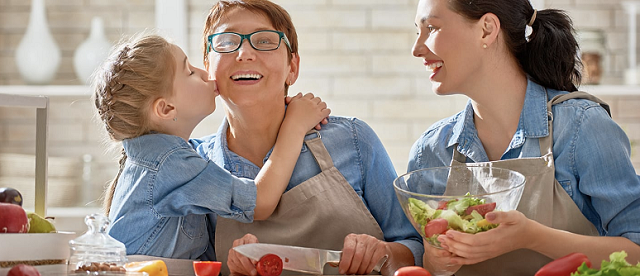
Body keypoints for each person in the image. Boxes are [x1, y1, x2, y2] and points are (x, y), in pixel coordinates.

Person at [190, 0, 424, 275]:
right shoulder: (195, 165)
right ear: (208, 65)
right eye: (227, 42)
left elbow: (416, 248)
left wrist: (383, 253)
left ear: (293, 67)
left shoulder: (354, 141)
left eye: (264, 41)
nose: (244, 53)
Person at [409, 0, 640, 275]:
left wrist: (530, 236)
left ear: (486, 30)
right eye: (417, 32)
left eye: (432, 28)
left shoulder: (581, 127)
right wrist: (435, 262)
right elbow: (420, 260)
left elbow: (636, 252)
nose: (416, 49)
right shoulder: (431, 150)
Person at [92, 33, 331, 259]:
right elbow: (260, 202)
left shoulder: (153, 158)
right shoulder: (172, 163)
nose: (205, 73)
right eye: (189, 71)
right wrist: (295, 127)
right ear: (166, 109)